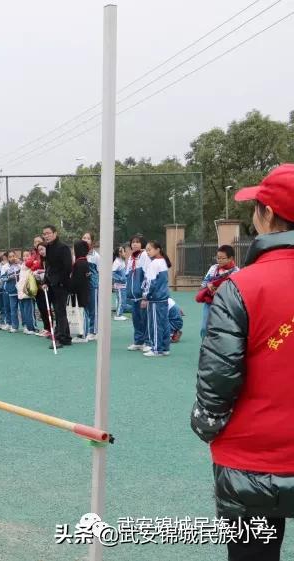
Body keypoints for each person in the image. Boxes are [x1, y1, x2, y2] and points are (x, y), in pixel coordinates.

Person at [191, 163, 294, 561]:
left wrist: (205, 424)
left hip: (251, 458)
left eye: (256, 207)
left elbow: (217, 382)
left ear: (268, 215)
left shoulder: (241, 287)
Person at [196, 245, 240, 339]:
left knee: (224, 330)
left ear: (230, 258)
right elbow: (204, 283)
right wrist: (208, 285)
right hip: (210, 303)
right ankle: (206, 348)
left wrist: (221, 290)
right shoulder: (213, 268)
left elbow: (237, 290)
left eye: (222, 258)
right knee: (205, 328)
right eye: (218, 258)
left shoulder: (236, 272)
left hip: (226, 305)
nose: (219, 260)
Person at [42, 225, 72, 349]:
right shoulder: (48, 248)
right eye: (44, 234)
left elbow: (68, 267)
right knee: (59, 310)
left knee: (60, 311)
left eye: (48, 233)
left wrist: (60, 281)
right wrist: (45, 280)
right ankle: (66, 337)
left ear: (55, 233)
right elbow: (48, 267)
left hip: (62, 285)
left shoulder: (63, 248)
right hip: (52, 284)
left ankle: (60, 338)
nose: (46, 235)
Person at [141, 241, 171, 357]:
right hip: (162, 298)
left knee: (155, 324)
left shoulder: (154, 264)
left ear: (158, 250)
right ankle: (164, 347)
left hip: (155, 299)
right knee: (163, 323)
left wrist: (145, 297)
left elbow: (150, 283)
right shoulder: (163, 261)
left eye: (150, 249)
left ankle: (157, 349)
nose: (147, 252)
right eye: (147, 250)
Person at [126, 234, 151, 351]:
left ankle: (148, 342)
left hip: (141, 295)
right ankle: (138, 341)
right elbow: (128, 275)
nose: (134, 244)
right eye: (133, 242)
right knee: (136, 319)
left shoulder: (144, 255)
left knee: (144, 318)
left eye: (137, 242)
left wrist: (145, 295)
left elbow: (147, 275)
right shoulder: (131, 257)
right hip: (133, 295)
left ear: (142, 244)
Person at [70, 240, 91, 343]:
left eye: (74, 248)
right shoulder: (82, 261)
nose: (73, 250)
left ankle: (84, 335)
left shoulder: (80, 263)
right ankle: (81, 333)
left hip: (81, 291)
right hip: (83, 290)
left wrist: (72, 289)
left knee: (83, 312)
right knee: (82, 312)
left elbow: (77, 279)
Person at [29, 241, 51, 337]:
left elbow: (51, 270)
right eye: (39, 250)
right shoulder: (38, 258)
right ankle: (46, 328)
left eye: (42, 249)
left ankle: (50, 329)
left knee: (47, 308)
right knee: (42, 308)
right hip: (39, 286)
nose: (41, 251)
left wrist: (41, 271)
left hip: (48, 287)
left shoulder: (50, 258)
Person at [82, 232, 100, 340]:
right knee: (84, 308)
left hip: (93, 285)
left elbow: (100, 271)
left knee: (94, 308)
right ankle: (84, 329)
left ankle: (94, 331)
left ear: (92, 242)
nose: (85, 239)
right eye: (84, 237)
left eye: (88, 238)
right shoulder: (78, 254)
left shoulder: (96, 256)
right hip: (82, 286)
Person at [17, 250, 39, 335]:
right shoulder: (22, 266)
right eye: (24, 256)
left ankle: (32, 328)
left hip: (28, 292)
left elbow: (35, 265)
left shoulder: (32, 265)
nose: (26, 258)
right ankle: (27, 326)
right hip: (21, 292)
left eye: (28, 256)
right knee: (24, 311)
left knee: (29, 311)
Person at [112, 246, 128, 321]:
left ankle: (119, 313)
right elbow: (112, 273)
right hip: (119, 285)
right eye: (123, 251)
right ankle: (118, 315)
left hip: (123, 285)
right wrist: (120, 278)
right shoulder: (117, 262)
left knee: (122, 300)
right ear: (119, 253)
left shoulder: (121, 261)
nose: (125, 253)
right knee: (122, 300)